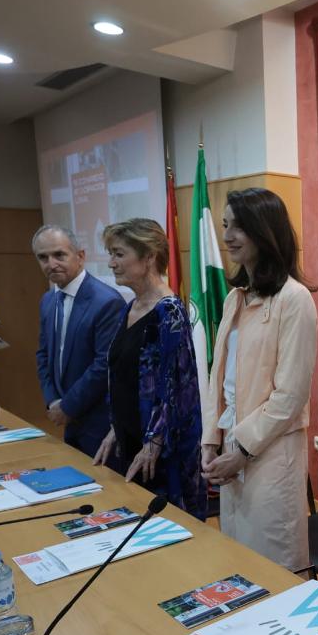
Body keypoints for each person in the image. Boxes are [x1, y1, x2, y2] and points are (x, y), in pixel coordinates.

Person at [200, 188, 318, 571]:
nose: (228, 236)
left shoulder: (294, 299)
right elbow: (218, 378)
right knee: (238, 564)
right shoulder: (236, 297)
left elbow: (291, 395)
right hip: (232, 447)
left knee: (273, 566)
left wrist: (242, 450)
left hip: (270, 453)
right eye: (225, 225)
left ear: (265, 230)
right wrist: (211, 440)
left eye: (239, 226)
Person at [91, 219, 205, 520]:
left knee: (167, 526)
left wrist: (154, 442)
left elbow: (177, 389)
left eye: (119, 254)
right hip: (131, 438)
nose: (111, 263)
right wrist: (115, 428)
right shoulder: (131, 306)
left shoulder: (169, 311)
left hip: (160, 452)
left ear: (149, 256)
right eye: (111, 254)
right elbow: (125, 376)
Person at [33, 225, 126, 458]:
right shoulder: (48, 300)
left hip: (100, 423)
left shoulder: (107, 301)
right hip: (67, 418)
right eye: (43, 257)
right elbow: (43, 354)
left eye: (59, 255)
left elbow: (104, 364)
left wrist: (67, 406)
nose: (51, 264)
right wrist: (53, 401)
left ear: (81, 256)